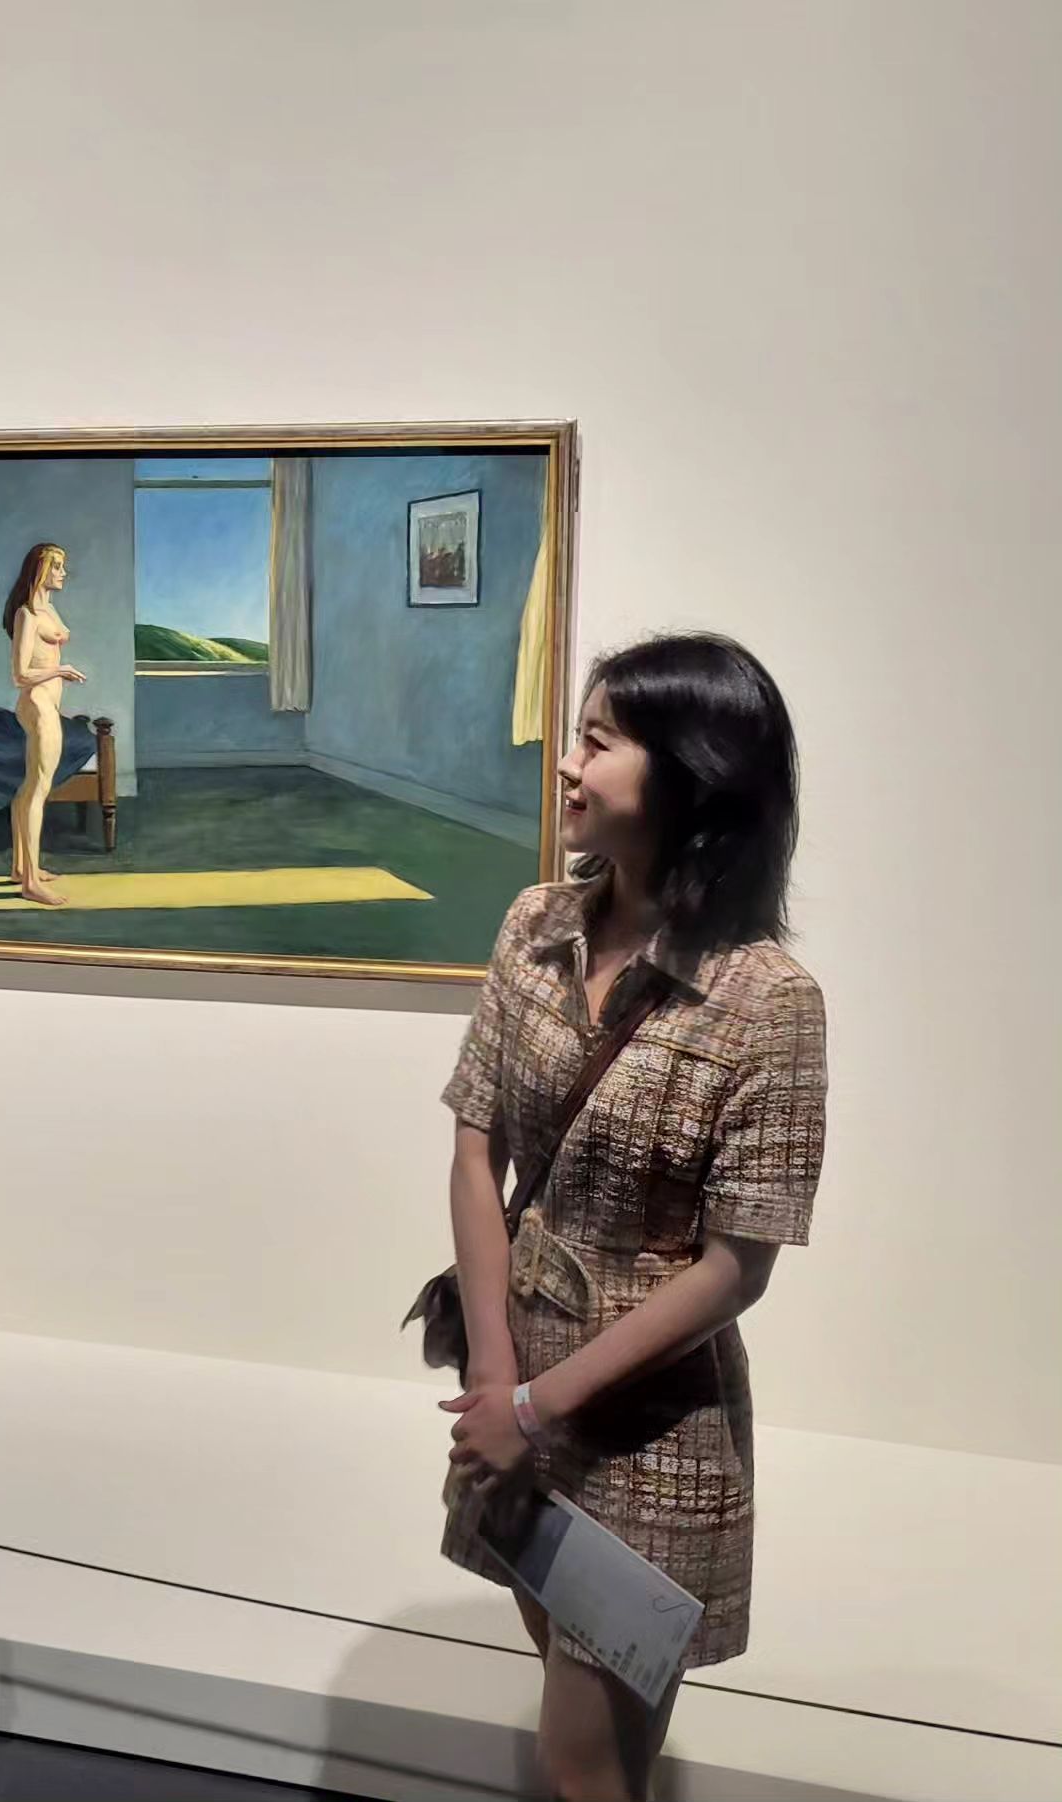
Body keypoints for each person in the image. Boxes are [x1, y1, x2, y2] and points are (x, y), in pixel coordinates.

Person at [438, 633, 828, 1802]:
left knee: (583, 1767)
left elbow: (735, 1266)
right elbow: (475, 1147)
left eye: (598, 742)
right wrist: (499, 1378)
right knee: (565, 1689)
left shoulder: (769, 998)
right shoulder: (535, 921)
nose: (568, 763)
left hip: (651, 1433)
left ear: (691, 773)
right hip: (516, 1388)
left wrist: (535, 1405)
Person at [1, 542, 86, 905]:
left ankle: (21, 868)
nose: (63, 573)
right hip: (37, 703)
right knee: (38, 790)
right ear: (40, 570)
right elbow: (19, 675)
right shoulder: (27, 614)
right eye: (57, 566)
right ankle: (31, 884)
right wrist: (59, 670)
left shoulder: (48, 608)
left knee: (30, 787)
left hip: (46, 703)